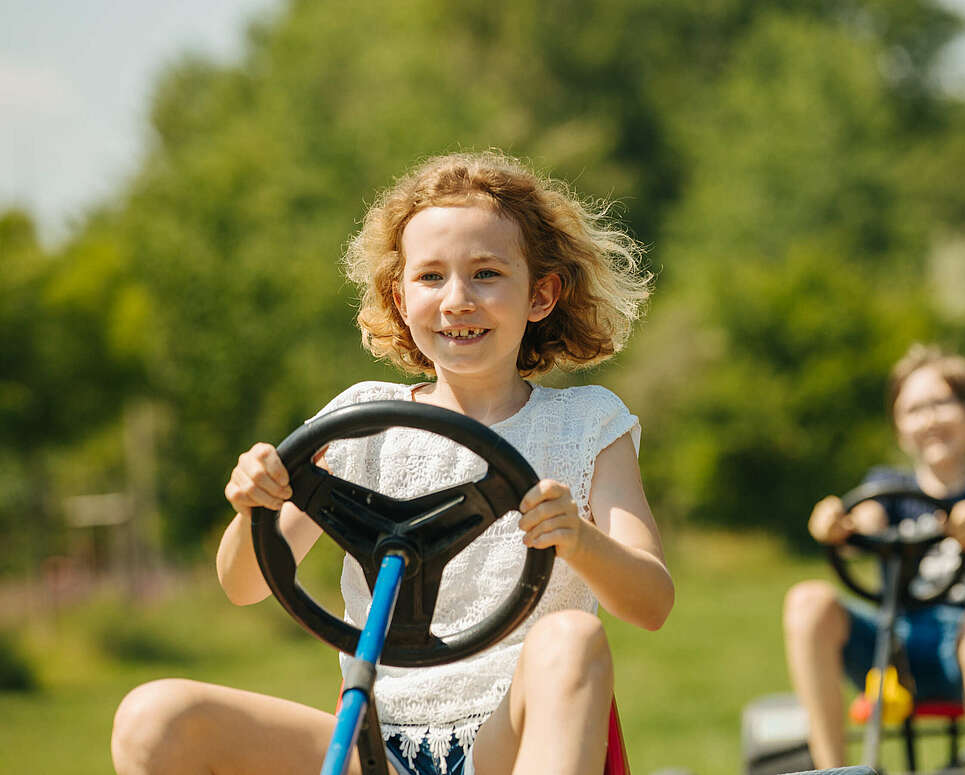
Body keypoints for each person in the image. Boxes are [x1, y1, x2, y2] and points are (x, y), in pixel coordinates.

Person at [111, 151, 674, 775]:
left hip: (510, 742)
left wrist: (579, 539)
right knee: (153, 717)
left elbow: (651, 603)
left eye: (485, 273)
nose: (457, 299)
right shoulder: (361, 419)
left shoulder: (588, 423)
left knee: (571, 639)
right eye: (431, 277)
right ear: (400, 298)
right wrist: (258, 505)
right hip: (374, 741)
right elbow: (243, 584)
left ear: (541, 294)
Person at [782, 344, 965, 775]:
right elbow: (864, 521)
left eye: (942, 403)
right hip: (890, 648)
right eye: (914, 409)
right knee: (808, 600)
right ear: (900, 429)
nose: (930, 418)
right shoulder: (886, 488)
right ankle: (832, 770)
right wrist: (837, 525)